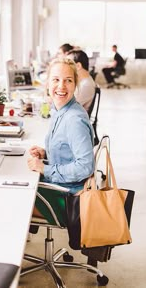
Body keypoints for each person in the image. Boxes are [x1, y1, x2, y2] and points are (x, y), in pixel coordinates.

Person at [27, 57, 94, 194]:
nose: (61, 86)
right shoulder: (59, 110)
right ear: (48, 84)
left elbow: (85, 166)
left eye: (68, 80)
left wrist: (44, 169)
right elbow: (68, 151)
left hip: (65, 196)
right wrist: (46, 153)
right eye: (56, 80)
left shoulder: (74, 120)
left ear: (75, 85)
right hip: (58, 186)